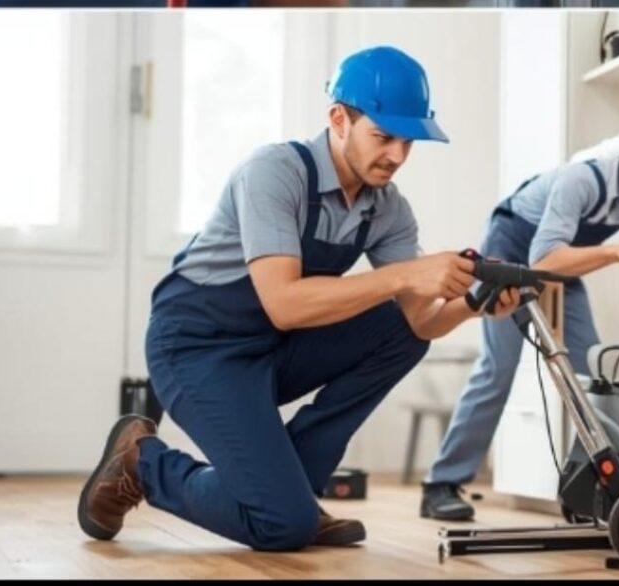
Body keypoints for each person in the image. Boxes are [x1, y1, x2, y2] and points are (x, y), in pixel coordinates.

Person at [77, 45, 519, 551]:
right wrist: (407, 276)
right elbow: (284, 303)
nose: (397, 156)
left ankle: (292, 491)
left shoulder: (388, 209)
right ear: (338, 119)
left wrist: (474, 304)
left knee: (401, 331)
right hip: (196, 348)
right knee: (281, 526)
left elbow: (420, 321)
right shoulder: (273, 172)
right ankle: (142, 462)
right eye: (384, 136)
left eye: (408, 141)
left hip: (271, 347)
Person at [420, 143, 619, 520]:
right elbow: (544, 257)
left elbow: (556, 260)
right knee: (498, 369)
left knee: (590, 375)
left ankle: (596, 482)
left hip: (556, 268)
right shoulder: (580, 178)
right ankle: (440, 484)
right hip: (513, 253)